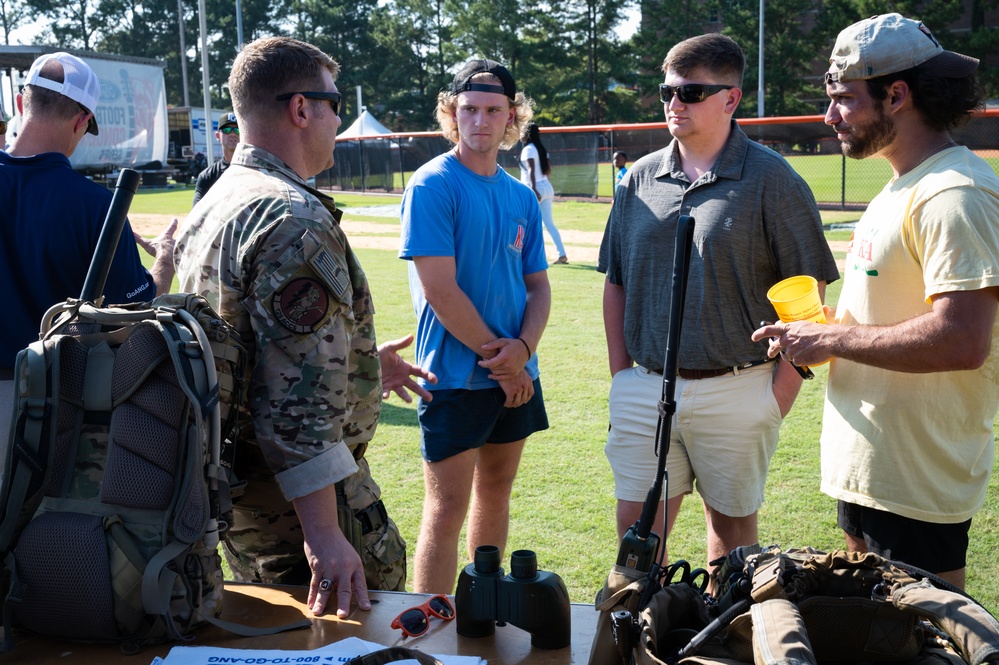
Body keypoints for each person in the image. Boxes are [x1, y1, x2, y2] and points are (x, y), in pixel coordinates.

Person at [174, 36, 436, 618]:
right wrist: (323, 533)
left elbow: (238, 344)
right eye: (334, 103)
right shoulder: (292, 217)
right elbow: (297, 401)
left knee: (278, 629)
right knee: (365, 626)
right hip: (295, 506)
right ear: (300, 109)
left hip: (238, 492)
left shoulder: (219, 200)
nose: (339, 119)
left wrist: (365, 368)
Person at [754, 14, 999, 590]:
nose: (829, 116)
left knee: (926, 642)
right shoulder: (902, 182)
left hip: (915, 478)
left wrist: (831, 338)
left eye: (843, 99)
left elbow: (962, 340)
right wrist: (819, 331)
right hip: (870, 466)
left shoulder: (954, 192)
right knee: (874, 635)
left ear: (897, 94)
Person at [598, 34, 838, 574]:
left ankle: (719, 651)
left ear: (730, 99)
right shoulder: (637, 178)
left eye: (691, 92)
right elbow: (615, 282)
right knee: (636, 539)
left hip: (738, 386)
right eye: (667, 92)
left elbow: (809, 294)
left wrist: (777, 394)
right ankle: (642, 644)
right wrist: (622, 376)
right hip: (645, 386)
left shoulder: (773, 180)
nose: (674, 104)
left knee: (731, 546)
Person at [399, 58, 552, 594]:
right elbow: (441, 291)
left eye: (493, 110)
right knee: (445, 511)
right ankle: (433, 632)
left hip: (515, 370)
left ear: (513, 117)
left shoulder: (520, 197)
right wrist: (506, 364)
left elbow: (538, 287)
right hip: (456, 379)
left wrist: (525, 348)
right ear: (451, 113)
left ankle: (481, 606)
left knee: (496, 491)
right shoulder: (433, 185)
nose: (480, 121)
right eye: (469, 109)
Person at [0, 52, 175, 454]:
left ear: (21, 103)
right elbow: (133, 315)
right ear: (82, 122)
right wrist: (165, 262)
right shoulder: (96, 206)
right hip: (48, 407)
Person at [519, 122, 568, 264]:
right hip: (546, 186)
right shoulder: (540, 148)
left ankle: (528, 256)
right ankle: (562, 254)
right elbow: (547, 170)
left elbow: (531, 170)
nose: (520, 135)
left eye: (522, 132)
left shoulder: (528, 149)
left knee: (524, 223)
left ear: (527, 134)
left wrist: (534, 189)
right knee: (548, 224)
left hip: (535, 189)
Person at [192, 112, 239, 205]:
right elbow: (197, 214)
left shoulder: (258, 171)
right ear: (218, 136)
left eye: (237, 130)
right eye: (227, 130)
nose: (233, 134)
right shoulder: (207, 176)